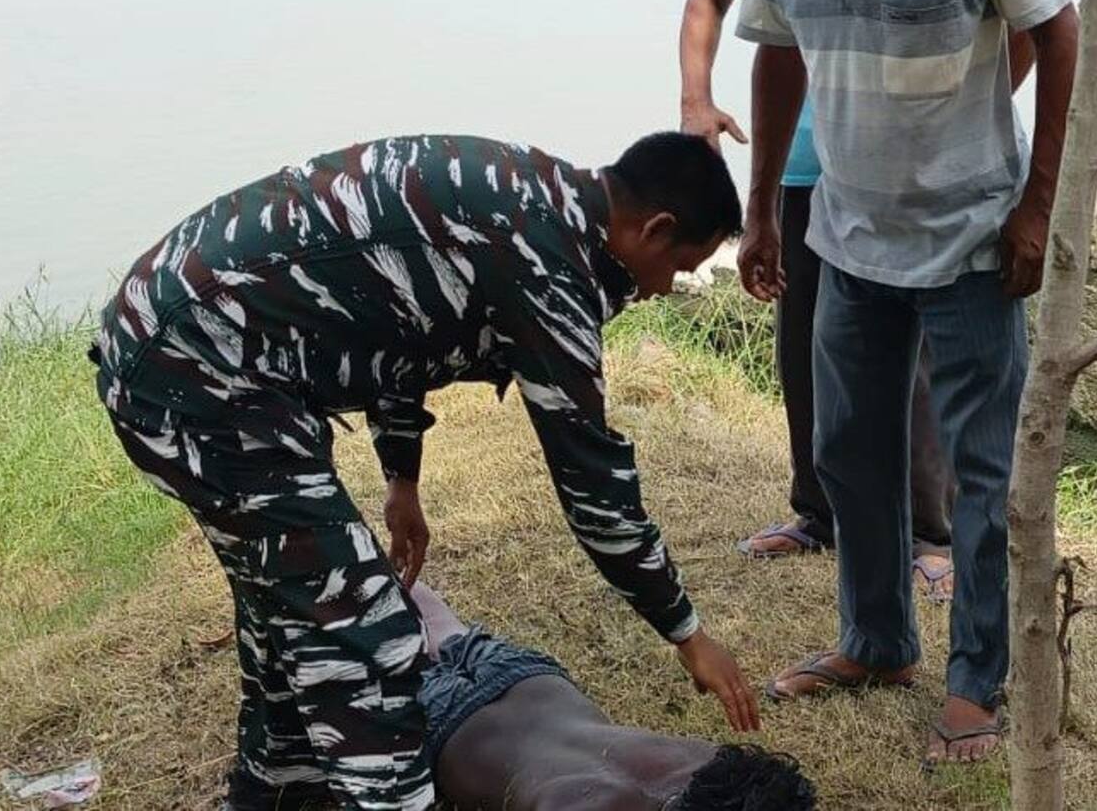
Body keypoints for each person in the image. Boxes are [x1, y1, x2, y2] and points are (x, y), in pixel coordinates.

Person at [90, 133, 758, 811]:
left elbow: (395, 324)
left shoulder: (533, 197)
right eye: (675, 267)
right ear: (655, 228)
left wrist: (400, 478)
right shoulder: (547, 261)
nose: (659, 290)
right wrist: (687, 632)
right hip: (198, 364)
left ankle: (276, 797)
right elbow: (593, 485)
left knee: (289, 618)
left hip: (191, 344)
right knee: (368, 628)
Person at [732, 0, 1080, 764]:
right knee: (847, 452)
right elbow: (776, 53)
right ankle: (876, 642)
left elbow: (1053, 33)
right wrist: (760, 207)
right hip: (847, 236)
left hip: (974, 239)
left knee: (980, 473)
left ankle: (978, 679)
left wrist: (1035, 207)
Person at [680, 0, 977, 600]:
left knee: (914, 359)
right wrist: (696, 100)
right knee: (804, 348)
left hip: (890, 169)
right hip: (802, 171)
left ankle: (930, 533)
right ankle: (818, 513)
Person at [407, 578, 817, 811]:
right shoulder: (589, 803)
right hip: (446, 720)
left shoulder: (722, 772)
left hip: (525, 679)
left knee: (433, 618)